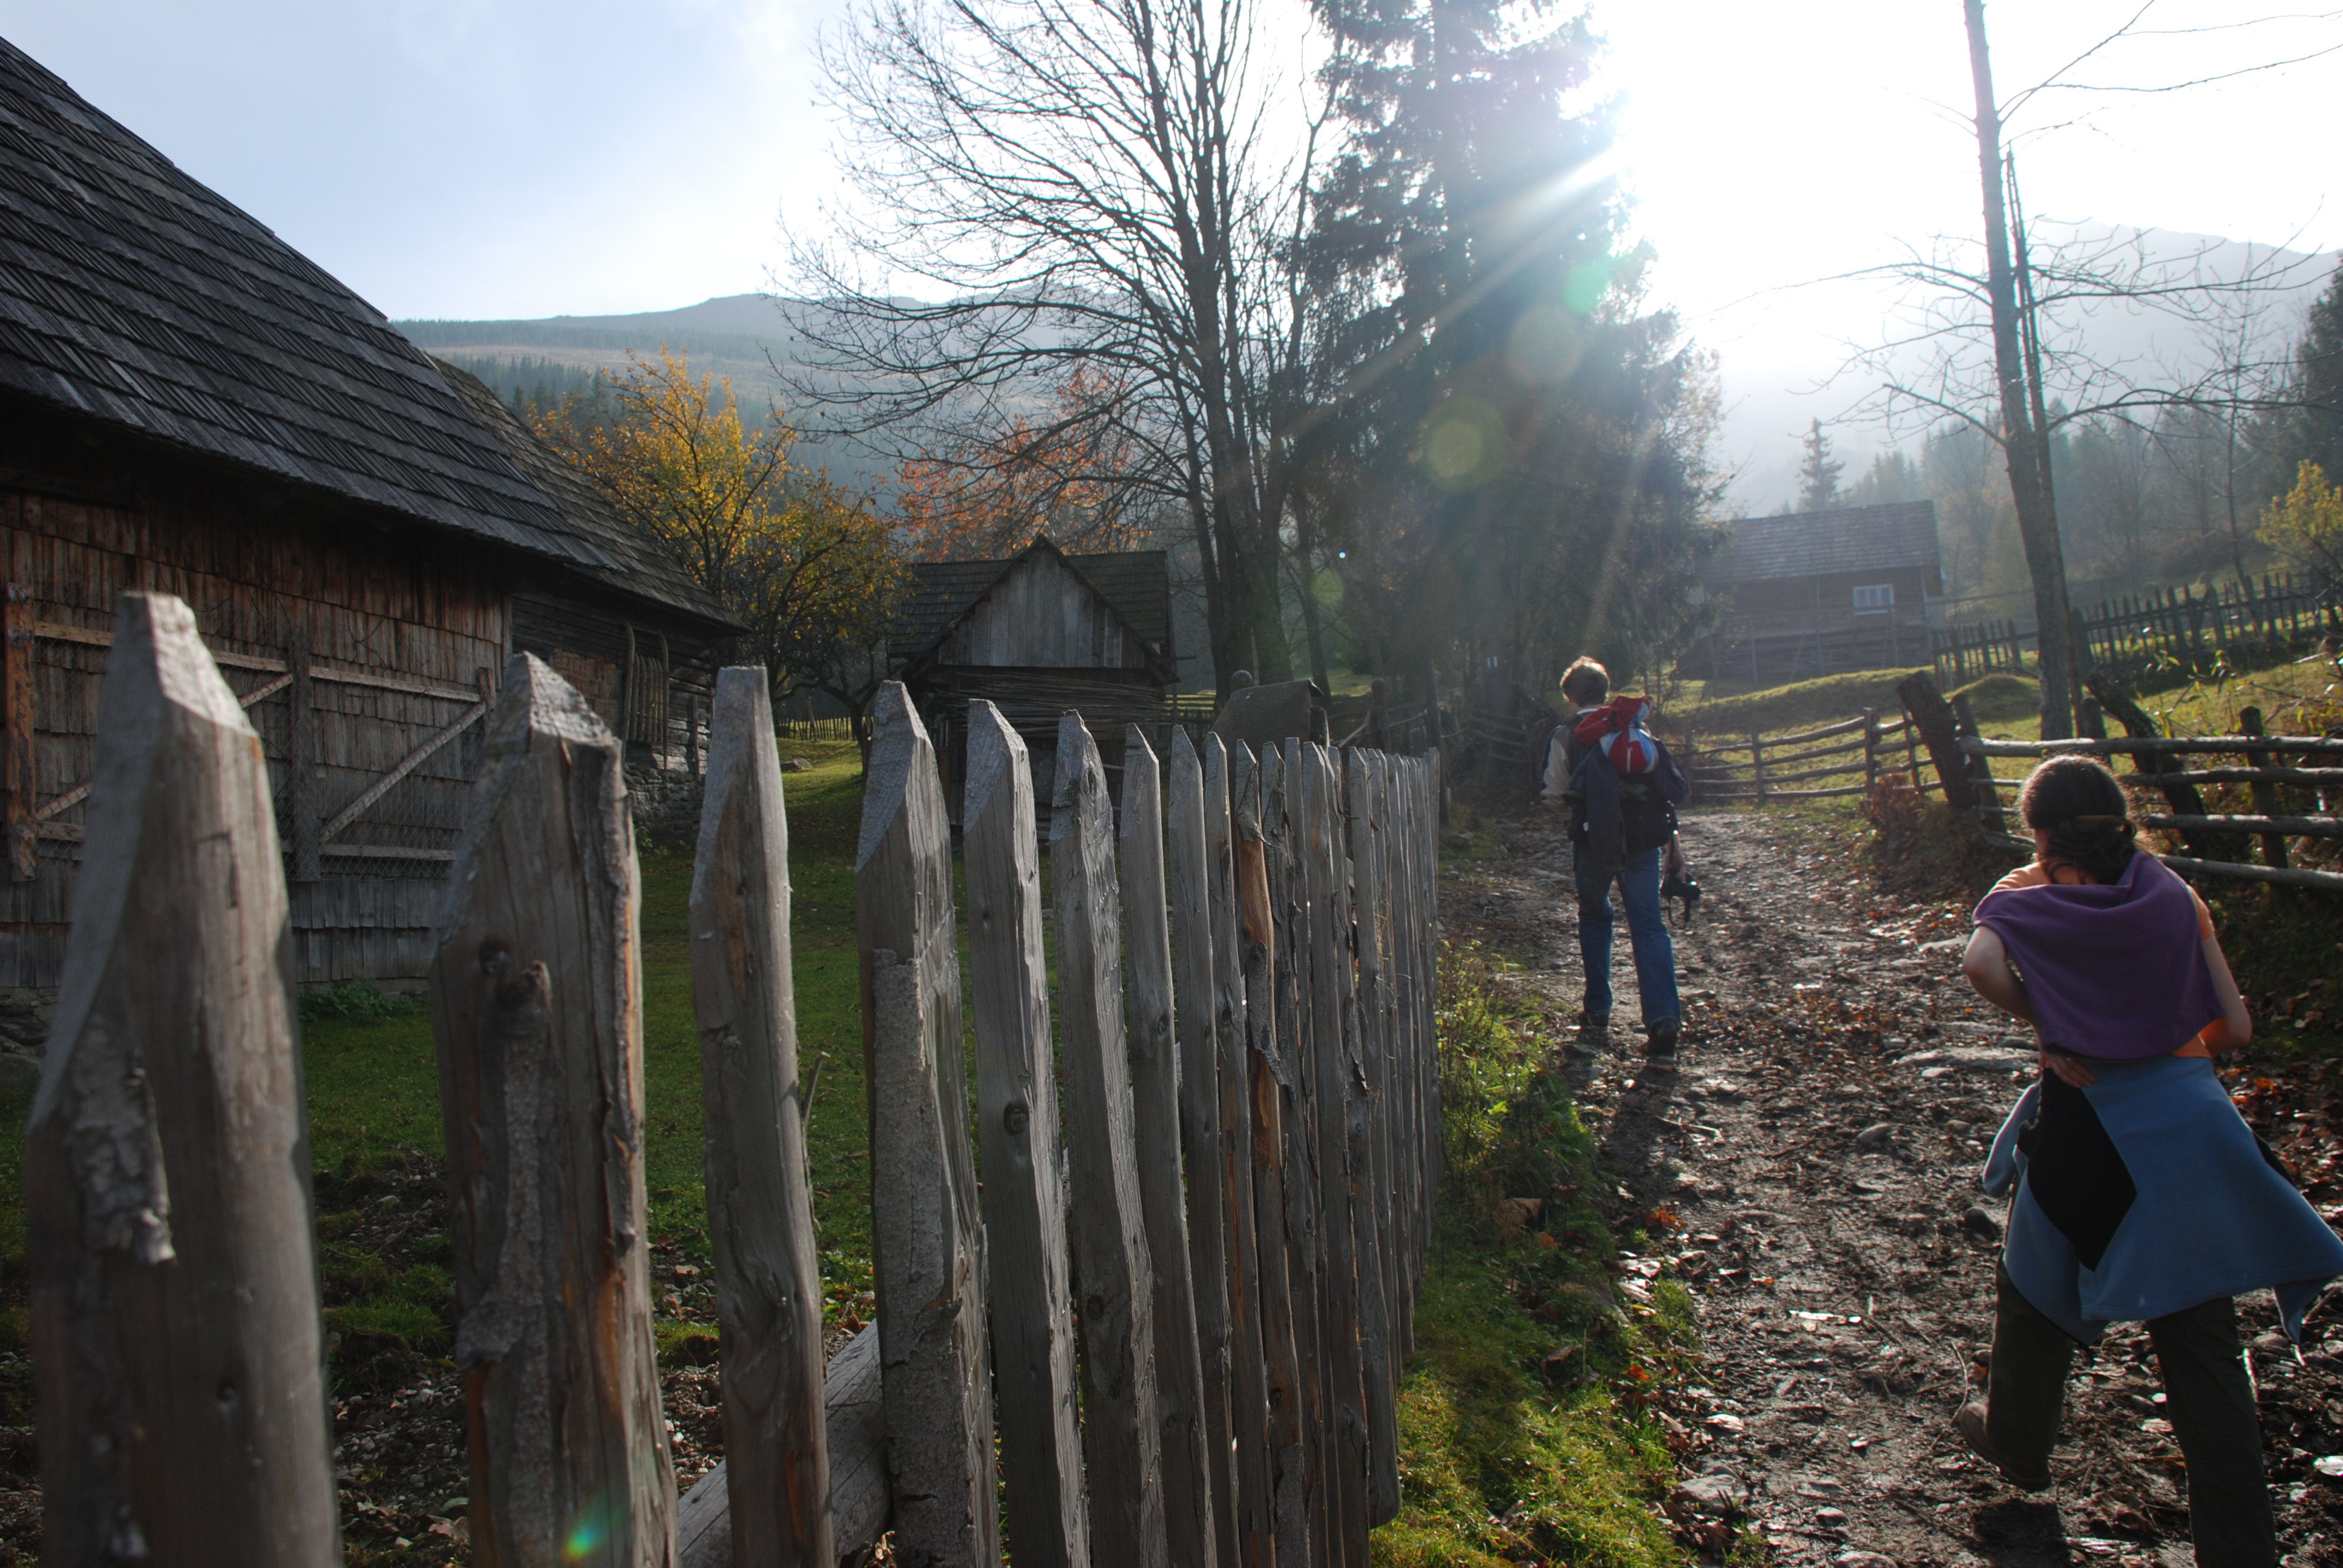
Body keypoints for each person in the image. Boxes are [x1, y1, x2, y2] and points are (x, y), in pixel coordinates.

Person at [1956, 756, 2343, 1567]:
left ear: (2038, 831)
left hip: (2092, 1118)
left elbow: (1981, 966)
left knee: (2034, 1278)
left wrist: (2055, 1027)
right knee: (2203, 1344)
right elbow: (2234, 1028)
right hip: (2193, 1124)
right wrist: (2163, 1043)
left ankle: (2016, 1444)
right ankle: (2241, 1552)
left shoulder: (2025, 894)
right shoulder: (2170, 891)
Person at [1540, 658, 1687, 1058]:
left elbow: (1554, 793)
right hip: (1643, 840)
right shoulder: (1634, 728)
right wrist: (1675, 848)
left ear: (1570, 696)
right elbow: (1662, 792)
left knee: (1594, 916)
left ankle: (1597, 1011)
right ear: (1605, 691)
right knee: (1649, 925)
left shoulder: (1567, 734)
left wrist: (1580, 809)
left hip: (1594, 842)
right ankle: (1663, 1019)